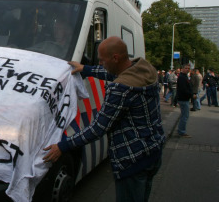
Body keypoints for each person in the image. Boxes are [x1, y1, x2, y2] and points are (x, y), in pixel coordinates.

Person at [43, 36, 165, 202]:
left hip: (133, 159)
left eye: (102, 60)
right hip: (152, 151)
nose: (100, 64)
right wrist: (85, 69)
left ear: (115, 58)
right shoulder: (144, 70)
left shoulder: (121, 88)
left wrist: (62, 146)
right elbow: (112, 73)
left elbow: (98, 128)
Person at [176, 64, 194, 137]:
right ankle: (181, 131)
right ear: (182, 69)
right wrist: (191, 94)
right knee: (185, 116)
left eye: (188, 68)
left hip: (184, 98)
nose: (187, 69)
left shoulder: (184, 76)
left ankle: (181, 130)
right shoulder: (182, 77)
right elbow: (184, 89)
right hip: (183, 98)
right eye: (186, 68)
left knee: (184, 115)